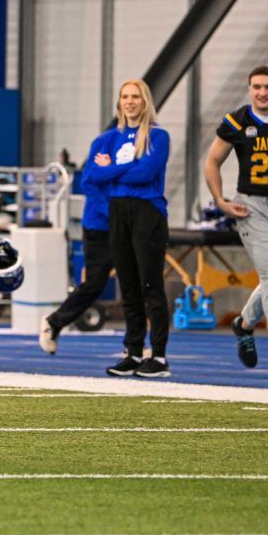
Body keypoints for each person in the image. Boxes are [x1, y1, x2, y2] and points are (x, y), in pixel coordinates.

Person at [204, 65, 268, 381]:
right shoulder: (237, 122)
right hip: (252, 206)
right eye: (257, 87)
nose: (263, 92)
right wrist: (220, 201)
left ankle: (244, 324)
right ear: (249, 89)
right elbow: (212, 161)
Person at [88, 79, 171, 378]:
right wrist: (124, 169)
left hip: (147, 212)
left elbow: (147, 172)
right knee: (129, 286)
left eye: (136, 96)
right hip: (118, 211)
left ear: (145, 101)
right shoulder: (110, 137)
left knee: (151, 285)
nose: (130, 101)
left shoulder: (158, 136)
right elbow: (94, 175)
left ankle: (159, 356)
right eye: (125, 96)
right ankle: (133, 351)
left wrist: (113, 170)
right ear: (119, 102)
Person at [39, 125, 115, 355]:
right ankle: (55, 321)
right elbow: (89, 183)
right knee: (94, 284)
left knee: (141, 284)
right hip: (101, 225)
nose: (131, 103)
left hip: (133, 224)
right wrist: (113, 213)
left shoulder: (154, 140)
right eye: (127, 98)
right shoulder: (105, 142)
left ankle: (138, 347)